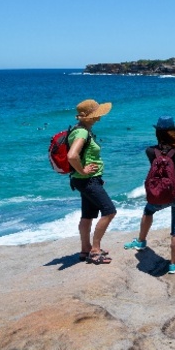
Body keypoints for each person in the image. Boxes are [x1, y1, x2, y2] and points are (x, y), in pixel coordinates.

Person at [124, 116, 175, 274]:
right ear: (174, 131)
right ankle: (173, 264)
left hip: (160, 193)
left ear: (157, 132)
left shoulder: (151, 151)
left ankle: (141, 241)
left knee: (148, 211)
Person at [68, 99, 116, 264]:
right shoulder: (82, 133)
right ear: (87, 117)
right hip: (87, 180)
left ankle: (85, 249)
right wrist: (82, 170)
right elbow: (72, 155)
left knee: (87, 215)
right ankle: (95, 250)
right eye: (96, 115)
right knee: (109, 211)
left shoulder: (77, 130)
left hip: (82, 180)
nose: (99, 118)